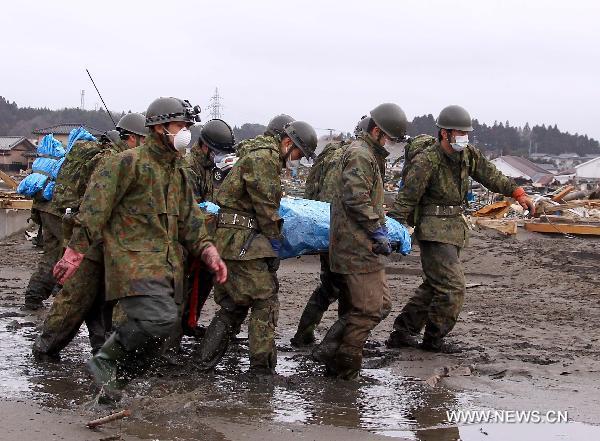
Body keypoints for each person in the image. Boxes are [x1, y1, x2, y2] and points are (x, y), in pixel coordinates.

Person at [53, 97, 227, 399]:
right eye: (181, 125)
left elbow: (190, 220)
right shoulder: (126, 163)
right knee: (156, 319)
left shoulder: (178, 171)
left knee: (162, 331)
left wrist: (208, 250)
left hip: (166, 265)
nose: (186, 132)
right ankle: (104, 362)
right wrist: (74, 252)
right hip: (131, 261)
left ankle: (111, 389)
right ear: (159, 127)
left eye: (188, 126)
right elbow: (95, 209)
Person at [386, 105, 535, 353]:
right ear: (444, 133)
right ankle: (434, 340)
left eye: (466, 133)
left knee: (434, 284)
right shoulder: (427, 160)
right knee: (453, 287)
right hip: (433, 230)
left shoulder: (467, 155)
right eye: (458, 133)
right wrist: (394, 227)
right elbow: (407, 197)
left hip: (454, 228)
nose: (463, 138)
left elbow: (491, 175)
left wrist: (518, 193)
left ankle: (402, 332)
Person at [199, 119, 317, 375]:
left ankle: (203, 364)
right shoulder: (265, 159)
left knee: (234, 303)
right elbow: (266, 208)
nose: (296, 159)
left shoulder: (256, 154)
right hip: (239, 241)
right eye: (298, 153)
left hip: (232, 239)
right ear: (288, 143)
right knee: (265, 298)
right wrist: (276, 241)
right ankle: (261, 369)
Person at [32, 114, 148, 359]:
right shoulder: (111, 162)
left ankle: (100, 348)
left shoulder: (116, 159)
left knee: (101, 298)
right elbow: (97, 204)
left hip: (102, 236)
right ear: (133, 138)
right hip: (90, 236)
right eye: (143, 139)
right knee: (75, 297)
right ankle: (45, 349)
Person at [312, 103, 408, 380]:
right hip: (357, 246)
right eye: (389, 138)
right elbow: (356, 197)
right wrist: (377, 230)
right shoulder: (359, 155)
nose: (391, 144)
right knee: (368, 310)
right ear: (377, 131)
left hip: (363, 245)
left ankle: (331, 347)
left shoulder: (368, 154)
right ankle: (345, 367)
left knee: (380, 304)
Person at [290, 118, 370, 347]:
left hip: (323, 227)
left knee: (330, 285)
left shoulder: (329, 156)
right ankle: (340, 339)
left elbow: (311, 192)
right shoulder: (356, 158)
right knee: (348, 287)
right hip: (343, 231)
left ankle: (305, 332)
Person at [181, 119, 236, 338]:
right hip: (189, 236)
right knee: (183, 287)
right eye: (217, 152)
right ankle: (172, 337)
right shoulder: (189, 168)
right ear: (205, 147)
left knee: (203, 283)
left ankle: (189, 322)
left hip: (207, 235)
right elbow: (192, 207)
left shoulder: (212, 167)